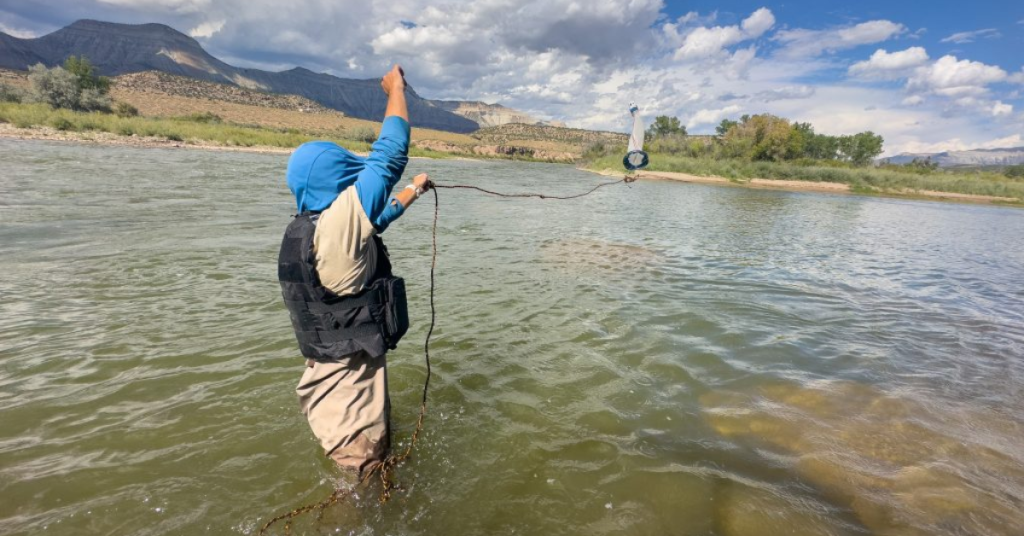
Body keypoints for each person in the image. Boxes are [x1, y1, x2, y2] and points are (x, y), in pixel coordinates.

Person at [277, 64, 431, 476]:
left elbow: (379, 218)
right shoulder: (338, 224)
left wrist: (415, 190)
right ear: (339, 182)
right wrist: (395, 90)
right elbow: (389, 156)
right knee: (362, 495)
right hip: (350, 405)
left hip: (328, 389)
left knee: (366, 483)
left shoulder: (310, 230)